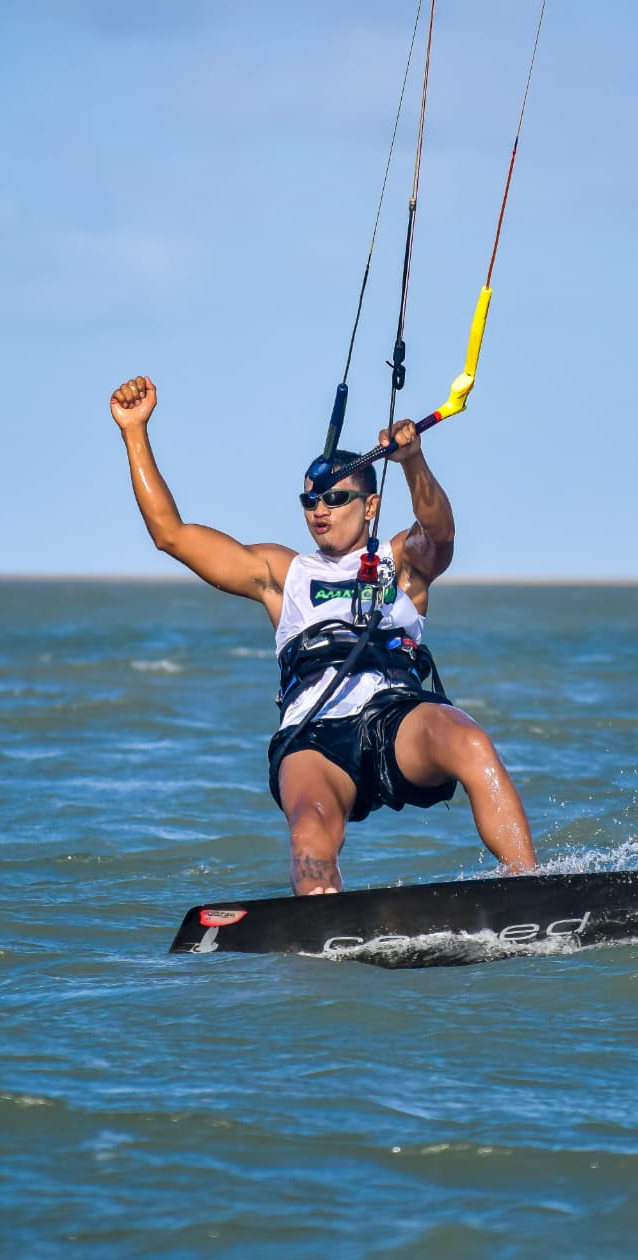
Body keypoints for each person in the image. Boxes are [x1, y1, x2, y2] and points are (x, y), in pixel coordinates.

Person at [109, 374, 537, 894]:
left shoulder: (401, 561)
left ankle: (526, 888)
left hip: (395, 719)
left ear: (370, 506)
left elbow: (440, 533)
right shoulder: (281, 572)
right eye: (310, 501)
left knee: (470, 741)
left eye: (335, 498)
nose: (320, 510)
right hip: (314, 734)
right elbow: (171, 535)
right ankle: (321, 912)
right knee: (309, 829)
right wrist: (134, 431)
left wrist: (412, 462)